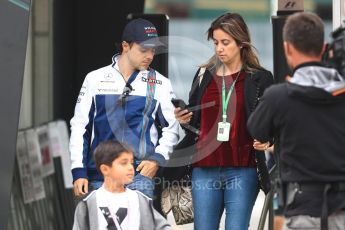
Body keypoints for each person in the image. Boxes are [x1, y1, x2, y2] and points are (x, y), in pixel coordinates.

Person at [174, 12, 274, 230]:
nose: (219, 48)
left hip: (243, 168)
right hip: (204, 168)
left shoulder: (260, 78)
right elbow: (195, 123)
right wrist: (184, 119)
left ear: (241, 43)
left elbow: (272, 122)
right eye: (216, 42)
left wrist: (268, 140)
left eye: (225, 42)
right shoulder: (203, 75)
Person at [247, 12, 345, 230]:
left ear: (287, 48)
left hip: (302, 208)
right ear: (324, 48)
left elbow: (256, 129)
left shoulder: (279, 97)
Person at [69, 18, 179, 199]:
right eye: (144, 50)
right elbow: (80, 126)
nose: (150, 56)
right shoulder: (94, 78)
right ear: (125, 46)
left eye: (153, 50)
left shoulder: (160, 83)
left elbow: (172, 127)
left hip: (139, 177)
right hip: (99, 176)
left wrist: (157, 159)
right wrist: (78, 170)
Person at [72, 140, 172, 230]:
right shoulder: (88, 203)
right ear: (105, 169)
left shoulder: (140, 199)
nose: (130, 167)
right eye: (124, 163)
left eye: (131, 163)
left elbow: (162, 226)